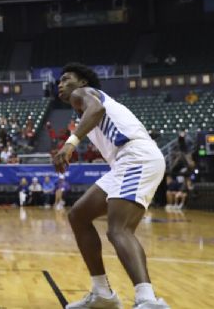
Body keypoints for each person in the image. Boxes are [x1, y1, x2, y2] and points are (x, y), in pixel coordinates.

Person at [54, 63, 168, 308]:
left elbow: (96, 109)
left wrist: (70, 143)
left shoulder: (84, 95)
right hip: (123, 163)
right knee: (79, 216)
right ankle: (103, 294)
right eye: (58, 83)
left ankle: (148, 300)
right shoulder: (84, 106)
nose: (60, 85)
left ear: (82, 82)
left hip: (136, 157)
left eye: (65, 79)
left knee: (119, 230)